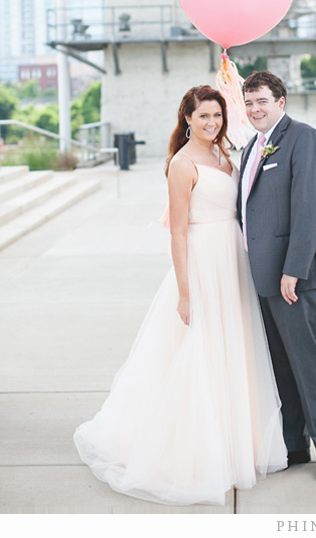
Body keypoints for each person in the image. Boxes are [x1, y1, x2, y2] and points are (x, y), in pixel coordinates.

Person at [74, 85, 287, 506]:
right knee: (200, 353)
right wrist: (185, 291)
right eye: (203, 116)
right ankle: (193, 449)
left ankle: (233, 443)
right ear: (186, 118)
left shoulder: (226, 156)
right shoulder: (182, 163)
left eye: (217, 116)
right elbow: (178, 230)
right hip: (203, 263)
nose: (212, 123)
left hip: (233, 263)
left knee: (234, 349)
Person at [238, 70, 316, 482]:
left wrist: (293, 271)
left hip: (295, 278)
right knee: (281, 366)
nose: (255, 110)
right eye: (249, 103)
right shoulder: (252, 147)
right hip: (264, 278)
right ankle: (295, 444)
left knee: (309, 364)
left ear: (281, 102)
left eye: (262, 101)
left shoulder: (304, 138)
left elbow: (309, 208)